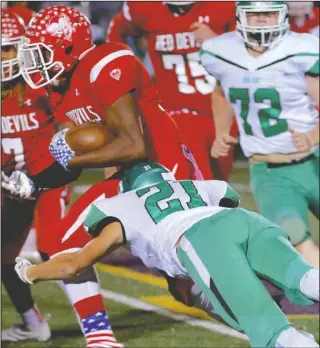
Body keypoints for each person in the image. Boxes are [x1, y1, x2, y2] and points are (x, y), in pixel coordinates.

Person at [3, 4, 207, 346]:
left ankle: (269, 323)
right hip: (128, 176)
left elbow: (133, 145)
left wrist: (73, 158)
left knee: (188, 280)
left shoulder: (106, 64)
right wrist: (39, 180)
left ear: (67, 46)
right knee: (65, 243)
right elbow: (108, 150)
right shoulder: (59, 89)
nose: (33, 64)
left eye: (40, 53)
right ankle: (100, 338)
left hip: (166, 171)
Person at [15, 161, 320, 348]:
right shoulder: (201, 186)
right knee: (306, 277)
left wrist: (30, 272)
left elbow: (74, 263)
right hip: (246, 221)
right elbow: (226, 206)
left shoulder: (122, 206)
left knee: (271, 331)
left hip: (200, 240)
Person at [200, 1, 319, 268]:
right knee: (296, 240)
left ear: (282, 15)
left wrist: (312, 137)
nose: (263, 21)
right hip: (269, 171)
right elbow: (221, 91)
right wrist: (221, 132)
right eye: (255, 14)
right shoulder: (221, 52)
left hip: (314, 160)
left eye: (269, 14)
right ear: (241, 17)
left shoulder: (302, 49)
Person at [107, 1, 238, 180]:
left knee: (219, 182)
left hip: (220, 111)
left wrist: (216, 42)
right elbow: (117, 30)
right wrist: (121, 69)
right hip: (176, 113)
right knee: (199, 182)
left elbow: (246, 58)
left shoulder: (223, 6)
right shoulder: (144, 8)